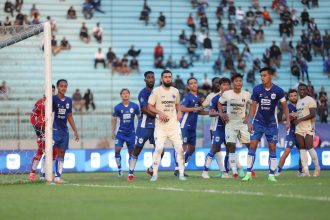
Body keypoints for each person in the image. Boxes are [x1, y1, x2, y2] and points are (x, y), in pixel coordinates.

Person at [242, 67, 290, 182]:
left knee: (272, 148)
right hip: (258, 122)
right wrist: (250, 122)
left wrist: (288, 120)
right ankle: (248, 173)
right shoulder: (257, 89)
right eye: (261, 76)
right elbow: (253, 107)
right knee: (252, 145)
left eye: (264, 75)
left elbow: (285, 107)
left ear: (270, 76)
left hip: (272, 123)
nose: (262, 78)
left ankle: (271, 175)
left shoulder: (278, 90)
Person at [147, 70, 186, 181]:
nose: (168, 78)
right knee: (159, 148)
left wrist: (179, 112)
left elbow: (178, 104)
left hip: (174, 125)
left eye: (169, 77)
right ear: (161, 79)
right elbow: (150, 106)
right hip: (161, 126)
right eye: (165, 77)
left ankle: (182, 174)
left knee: (179, 149)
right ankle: (154, 174)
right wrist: (159, 112)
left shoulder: (175, 91)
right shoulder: (156, 91)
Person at [128, 71, 162, 181]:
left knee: (161, 149)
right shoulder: (143, 93)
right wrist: (158, 115)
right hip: (144, 126)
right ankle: (131, 172)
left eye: (153, 77)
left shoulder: (157, 92)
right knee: (137, 149)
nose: (151, 79)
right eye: (149, 78)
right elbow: (145, 110)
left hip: (156, 127)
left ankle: (151, 169)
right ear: (145, 80)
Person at [218, 74, 251, 178]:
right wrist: (221, 114)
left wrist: (249, 116)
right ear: (233, 83)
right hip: (230, 125)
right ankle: (234, 171)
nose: (238, 83)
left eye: (240, 81)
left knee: (250, 145)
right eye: (236, 81)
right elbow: (219, 103)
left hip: (242, 125)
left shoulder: (246, 94)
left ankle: (250, 169)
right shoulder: (227, 94)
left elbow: (254, 105)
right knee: (231, 146)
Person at [175, 78, 207, 176]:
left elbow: (198, 111)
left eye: (195, 83)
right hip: (185, 125)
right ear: (188, 86)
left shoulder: (197, 97)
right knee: (183, 147)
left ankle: (181, 164)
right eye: (191, 84)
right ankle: (178, 169)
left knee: (192, 148)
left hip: (193, 127)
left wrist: (210, 113)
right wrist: (194, 108)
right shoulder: (188, 97)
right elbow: (181, 108)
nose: (194, 85)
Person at [202, 77, 231, 179]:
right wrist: (220, 114)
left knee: (229, 150)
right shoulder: (215, 98)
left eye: (227, 85)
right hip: (218, 127)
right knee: (214, 149)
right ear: (220, 86)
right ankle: (205, 171)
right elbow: (211, 113)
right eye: (223, 85)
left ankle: (225, 173)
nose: (225, 87)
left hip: (230, 128)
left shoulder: (233, 98)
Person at [28, 85, 57, 181]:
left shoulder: (56, 103)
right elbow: (32, 116)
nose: (51, 92)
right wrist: (37, 128)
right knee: (41, 151)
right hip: (41, 131)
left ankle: (44, 174)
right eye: (50, 90)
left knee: (54, 152)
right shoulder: (40, 103)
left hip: (53, 132)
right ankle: (32, 173)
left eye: (53, 90)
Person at [53, 79, 79, 184]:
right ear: (58, 87)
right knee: (51, 152)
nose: (63, 88)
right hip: (54, 130)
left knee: (62, 153)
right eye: (61, 86)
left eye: (65, 86)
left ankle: (58, 176)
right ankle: (43, 174)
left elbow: (69, 116)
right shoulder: (53, 99)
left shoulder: (68, 100)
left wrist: (75, 131)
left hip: (64, 131)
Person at [112, 89, 140, 177]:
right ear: (121, 95)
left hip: (131, 133)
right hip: (120, 133)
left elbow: (139, 118)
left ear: (129, 94)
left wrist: (140, 130)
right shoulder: (117, 107)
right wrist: (113, 131)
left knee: (131, 153)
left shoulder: (135, 106)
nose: (125, 95)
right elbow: (114, 119)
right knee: (117, 149)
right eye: (123, 93)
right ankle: (120, 169)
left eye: (127, 93)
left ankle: (130, 171)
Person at [295, 84, 320, 177]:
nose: (301, 90)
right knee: (302, 148)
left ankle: (317, 168)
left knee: (310, 147)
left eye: (303, 89)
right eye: (300, 89)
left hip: (308, 127)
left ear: (306, 90)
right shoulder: (298, 101)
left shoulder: (310, 100)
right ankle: (305, 171)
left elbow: (313, 114)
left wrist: (300, 120)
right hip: (299, 129)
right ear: (298, 90)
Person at [277, 89, 303, 176]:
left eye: (295, 95)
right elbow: (283, 118)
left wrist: (298, 115)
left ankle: (300, 171)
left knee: (302, 153)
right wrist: (291, 115)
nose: (293, 97)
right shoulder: (287, 106)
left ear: (297, 96)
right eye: (291, 96)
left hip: (301, 131)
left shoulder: (302, 105)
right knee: (287, 152)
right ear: (289, 97)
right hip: (291, 132)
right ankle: (278, 171)